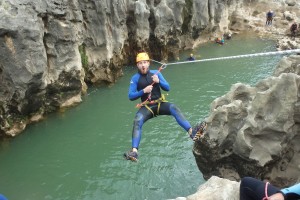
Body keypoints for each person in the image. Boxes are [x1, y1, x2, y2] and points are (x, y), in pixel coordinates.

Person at [124, 52, 206, 161]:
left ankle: (192, 132)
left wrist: (159, 82)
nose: (143, 65)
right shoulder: (135, 78)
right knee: (137, 121)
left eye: (145, 62)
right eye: (140, 63)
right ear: (137, 65)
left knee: (174, 108)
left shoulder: (156, 73)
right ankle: (134, 152)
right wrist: (143, 91)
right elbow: (130, 96)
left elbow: (167, 88)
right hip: (147, 107)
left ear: (148, 63)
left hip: (159, 104)